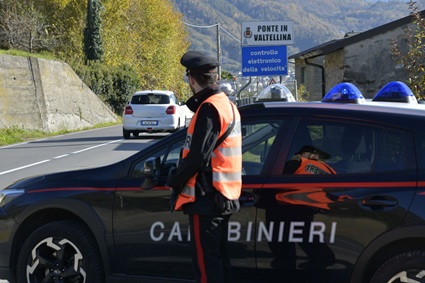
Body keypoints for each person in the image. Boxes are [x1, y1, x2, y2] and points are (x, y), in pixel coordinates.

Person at [167, 50, 242, 283]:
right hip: (224, 195)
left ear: (191, 79)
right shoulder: (227, 105)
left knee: (206, 266)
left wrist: (174, 180)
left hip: (206, 199)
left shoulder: (209, 108)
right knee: (218, 261)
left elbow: (198, 157)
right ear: (214, 77)